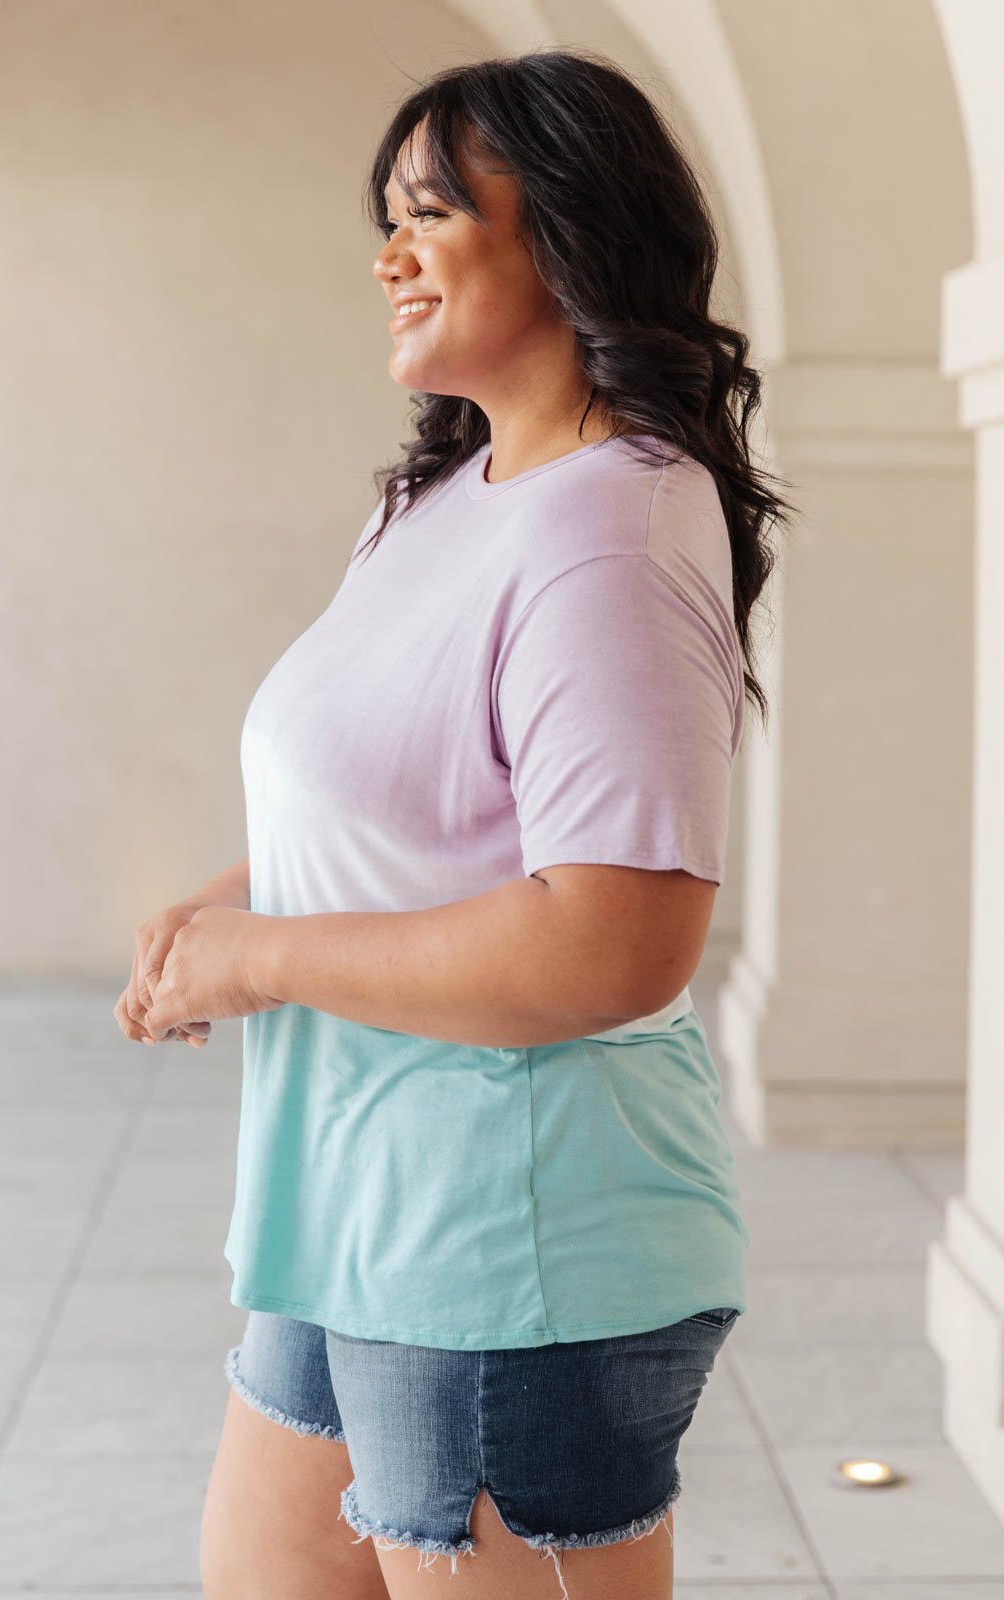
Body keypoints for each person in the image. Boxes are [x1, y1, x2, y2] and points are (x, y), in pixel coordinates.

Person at [114, 46, 795, 1600]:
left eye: (432, 212)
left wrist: (265, 957)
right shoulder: (442, 498)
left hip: (507, 1254)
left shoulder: (613, 526)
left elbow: (613, 940)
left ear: (561, 230)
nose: (388, 253)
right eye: (388, 216)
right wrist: (217, 916)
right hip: (345, 1214)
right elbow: (407, 811)